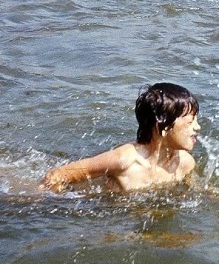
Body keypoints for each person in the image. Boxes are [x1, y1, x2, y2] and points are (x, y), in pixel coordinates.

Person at [40, 83, 200, 193]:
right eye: (190, 121)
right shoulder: (125, 159)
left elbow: (194, 192)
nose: (197, 127)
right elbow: (57, 175)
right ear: (163, 127)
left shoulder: (185, 163)